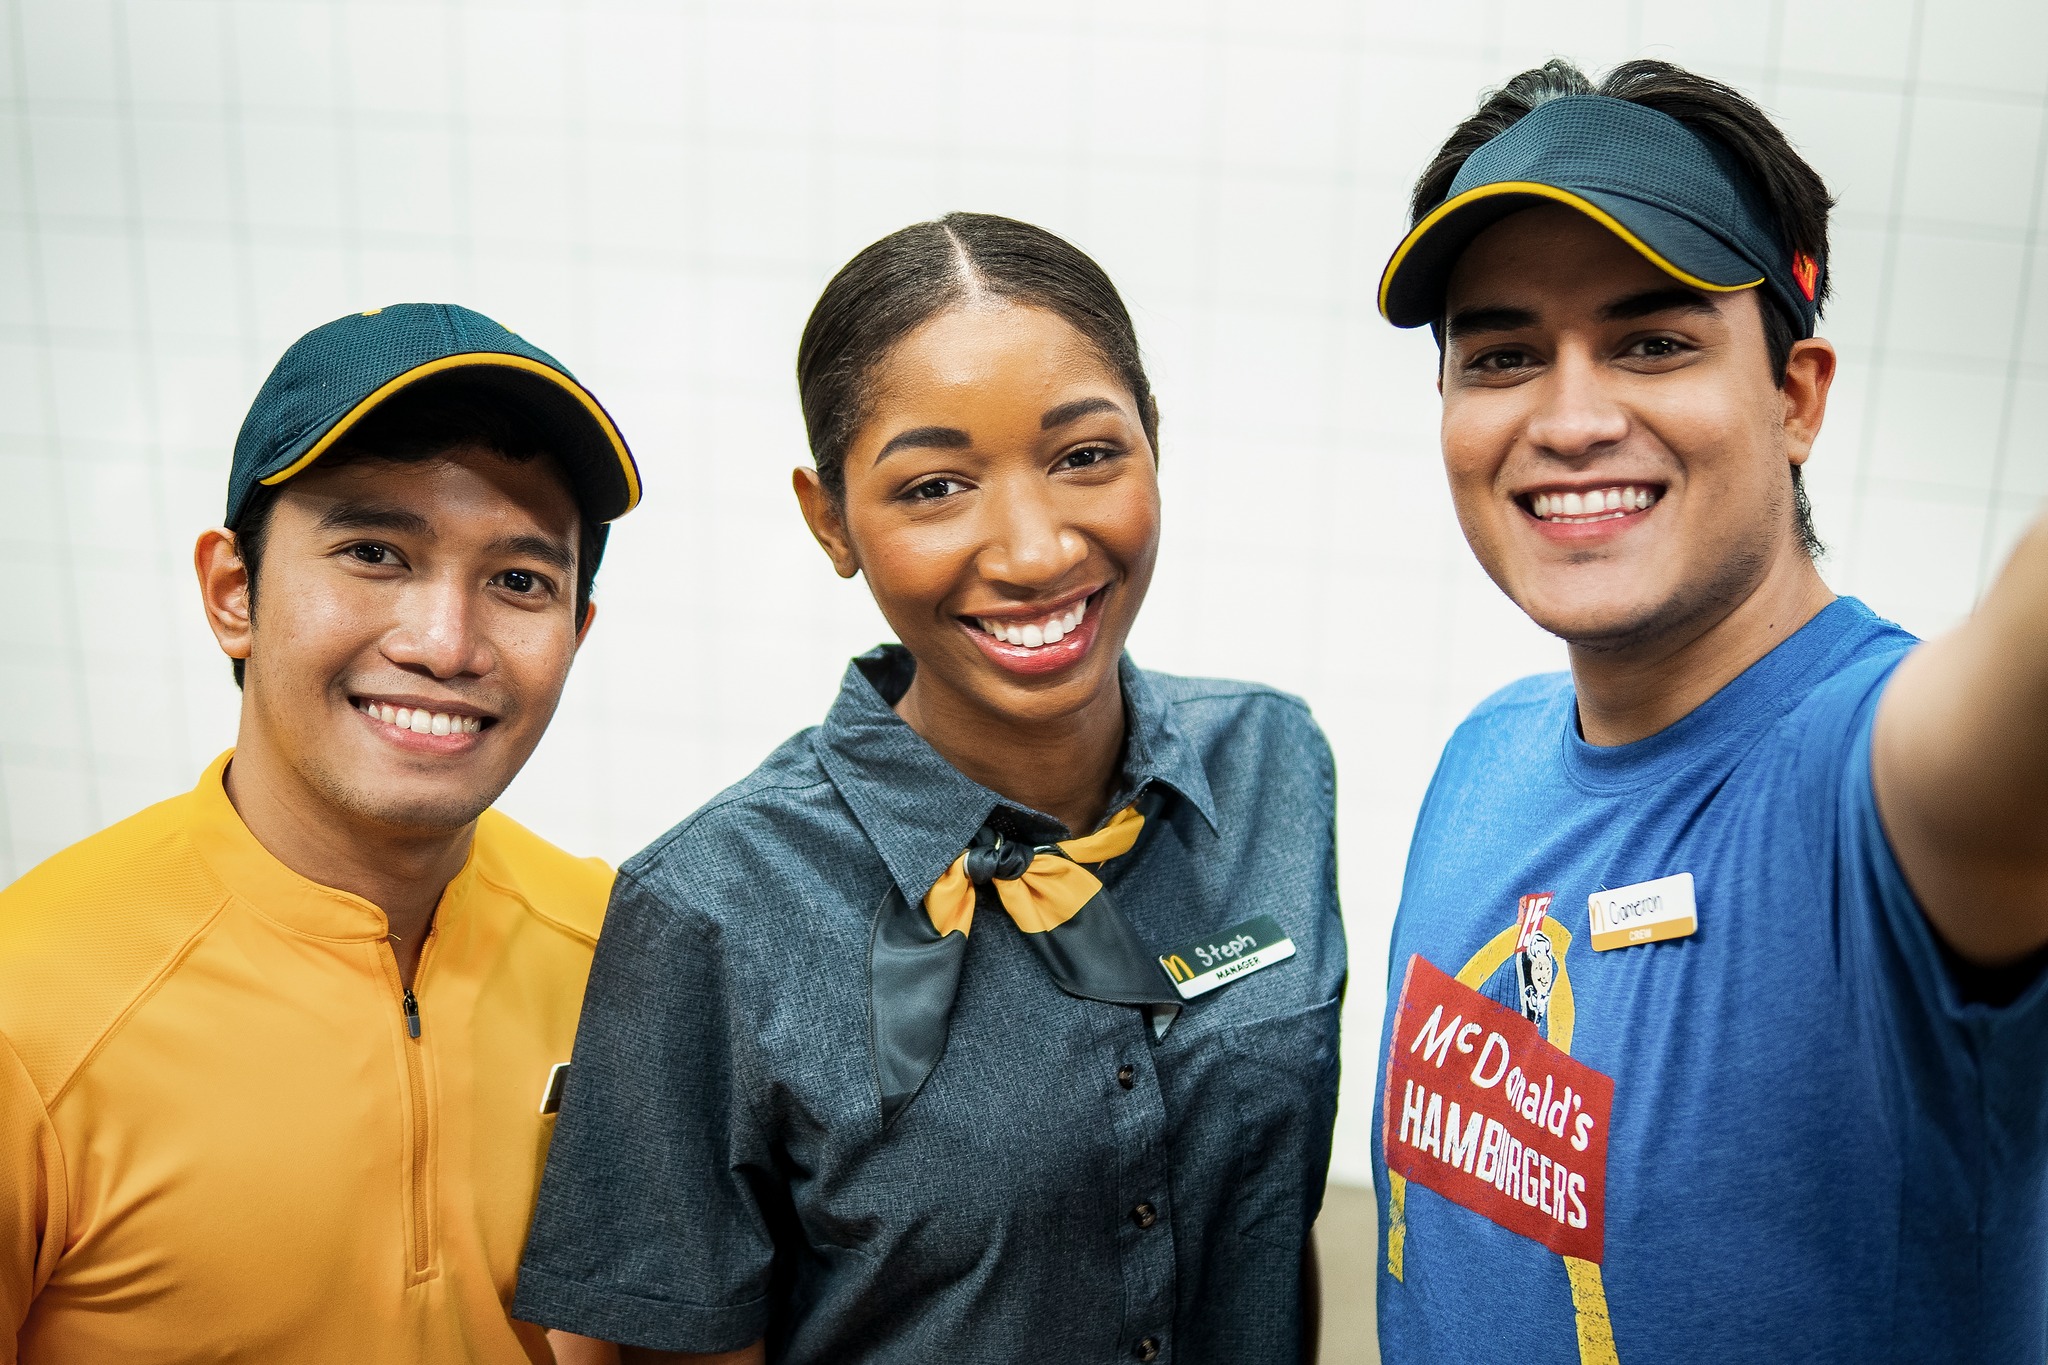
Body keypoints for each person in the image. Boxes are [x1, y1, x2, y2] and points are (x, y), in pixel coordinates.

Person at [513, 212, 1345, 1365]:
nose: (1034, 551)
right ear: (830, 521)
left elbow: (1264, 1213)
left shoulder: (1269, 765)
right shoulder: (710, 911)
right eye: (935, 487)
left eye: (1084, 457)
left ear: (1153, 442)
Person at [1368, 58, 2048, 1363]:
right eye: (1502, 355)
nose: (1570, 419)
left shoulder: (1872, 789)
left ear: (1795, 396)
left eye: (1652, 342)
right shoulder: (1485, 757)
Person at [0, 303, 640, 1364]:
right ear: (233, 592)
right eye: (374, 552)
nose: (446, 644)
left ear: (576, 633)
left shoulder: (630, 956)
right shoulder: (29, 1012)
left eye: (519, 581)